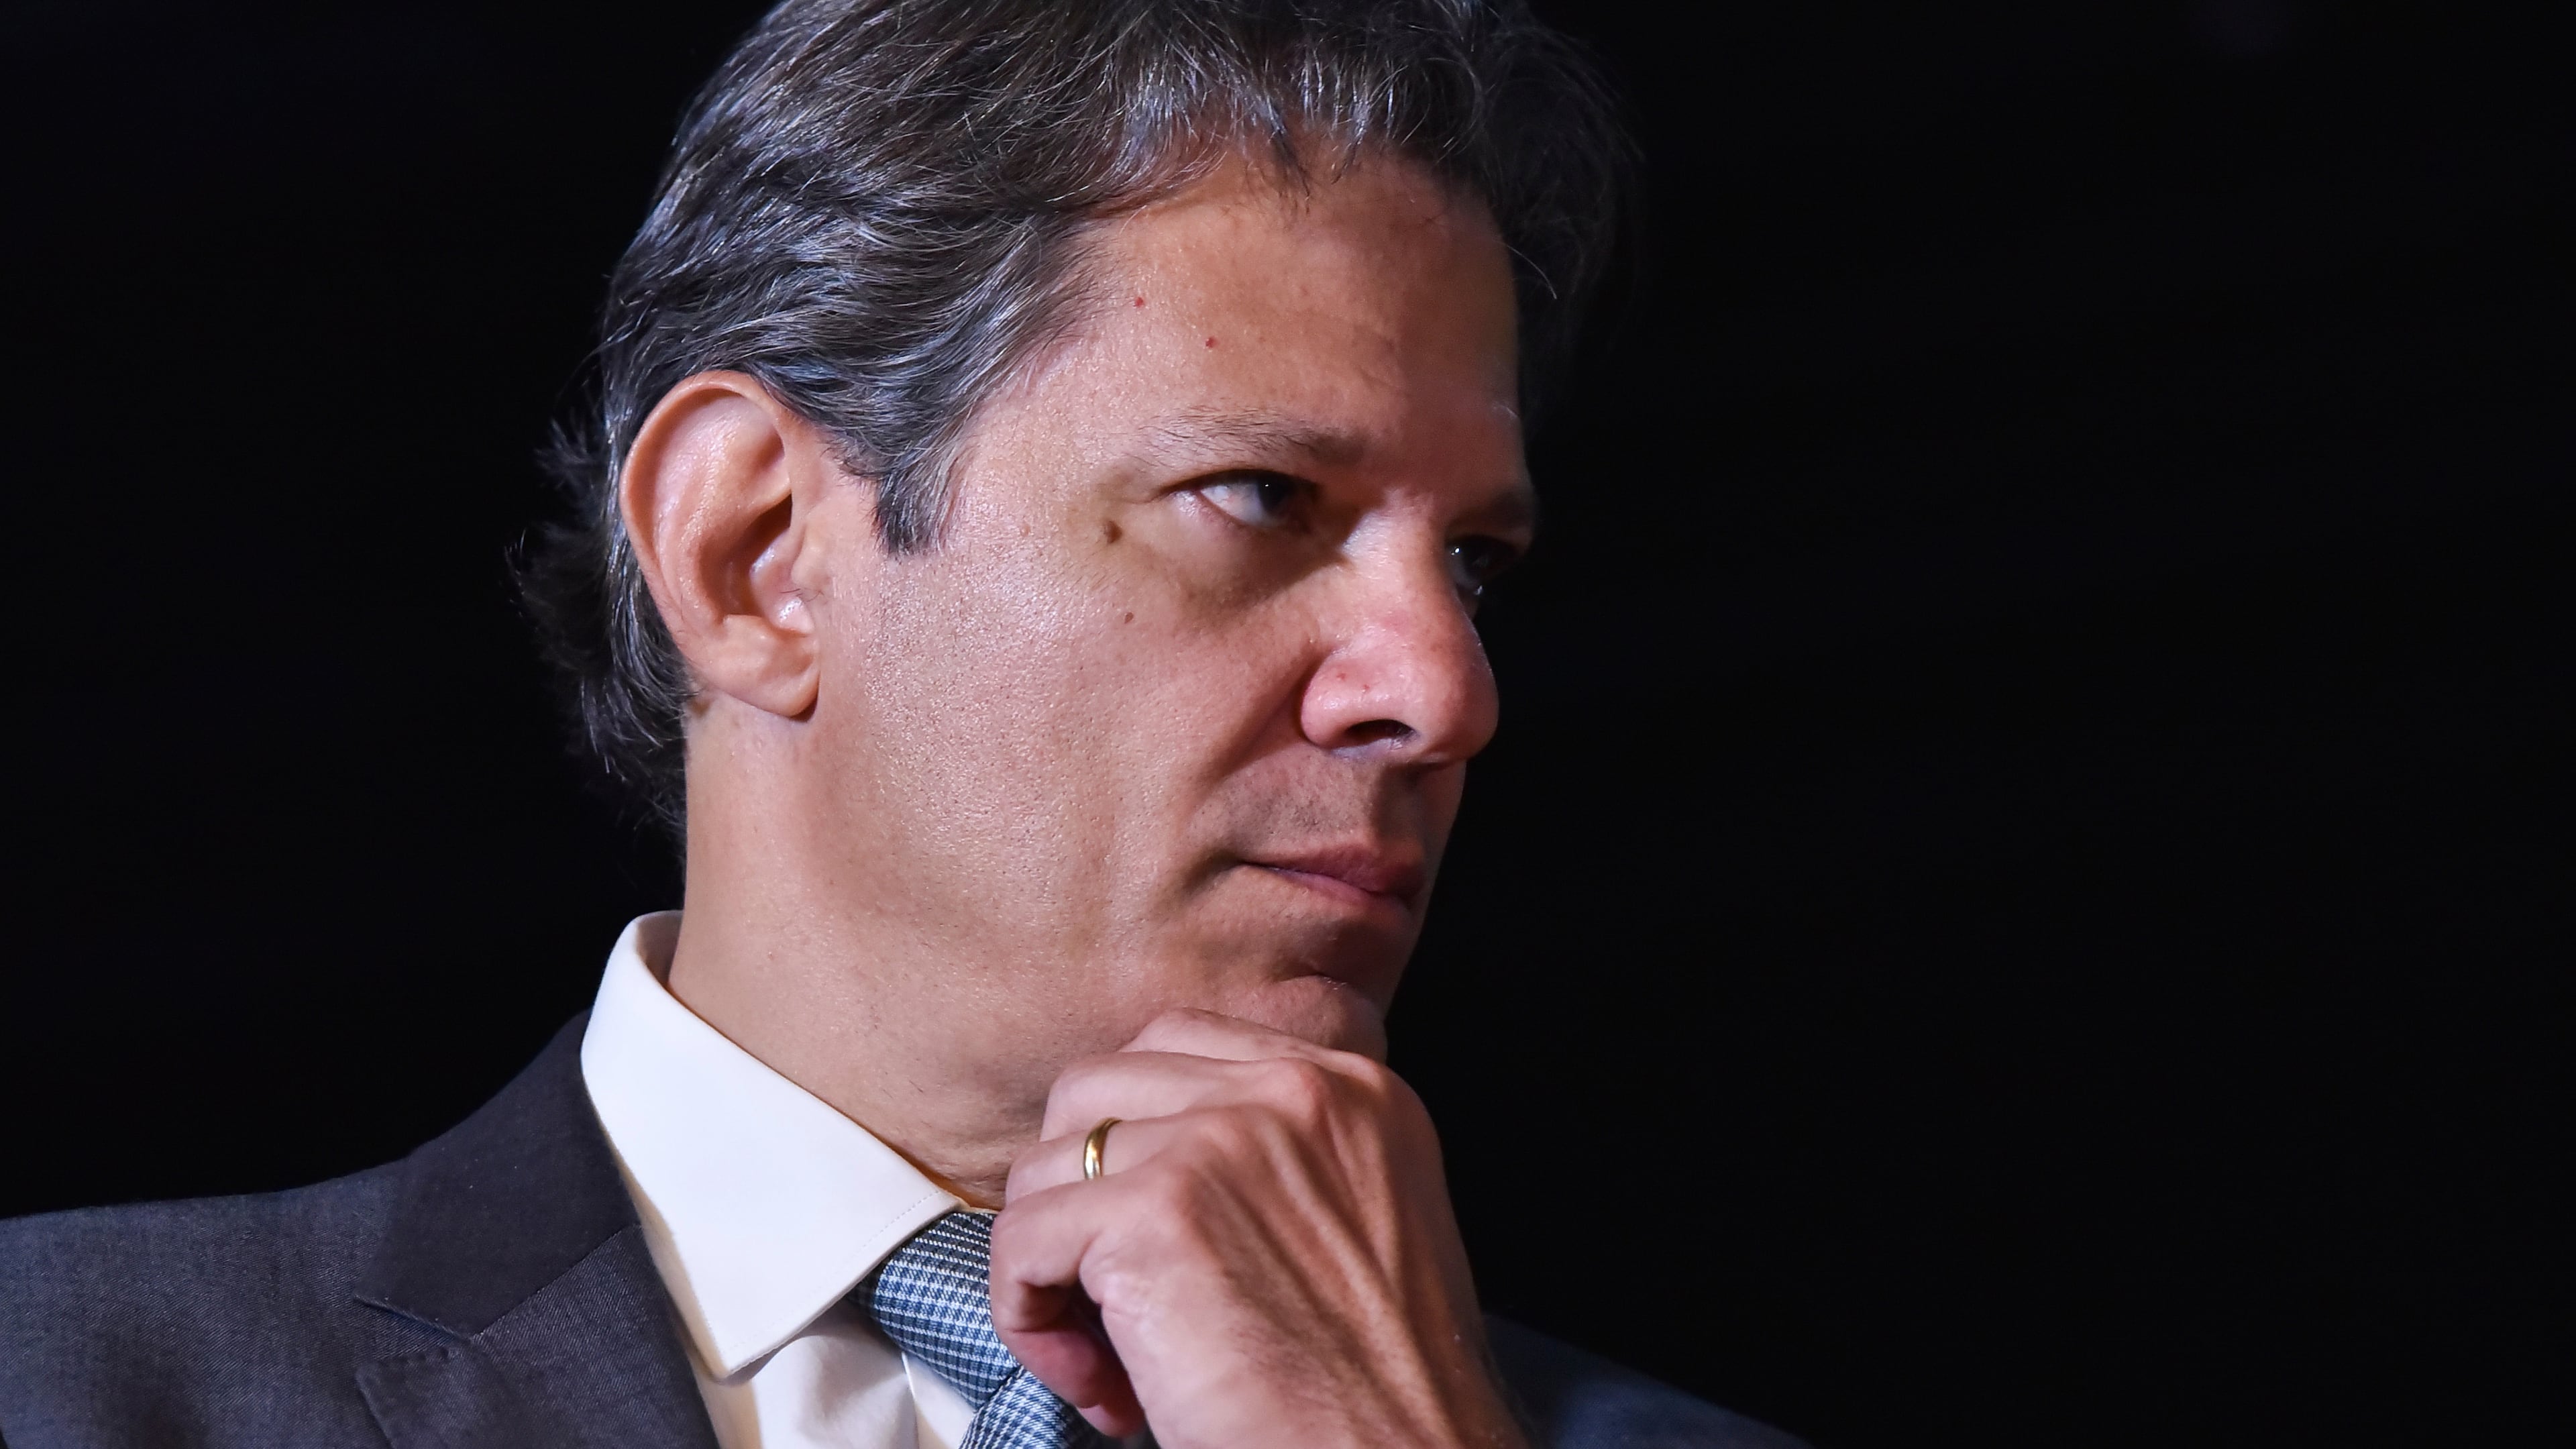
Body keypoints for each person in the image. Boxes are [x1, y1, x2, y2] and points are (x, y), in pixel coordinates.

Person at [0, 3, 1802, 1446]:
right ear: (757, 555)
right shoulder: (60, 1383)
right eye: (1263, 497)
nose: (1445, 689)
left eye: (1472, 562)